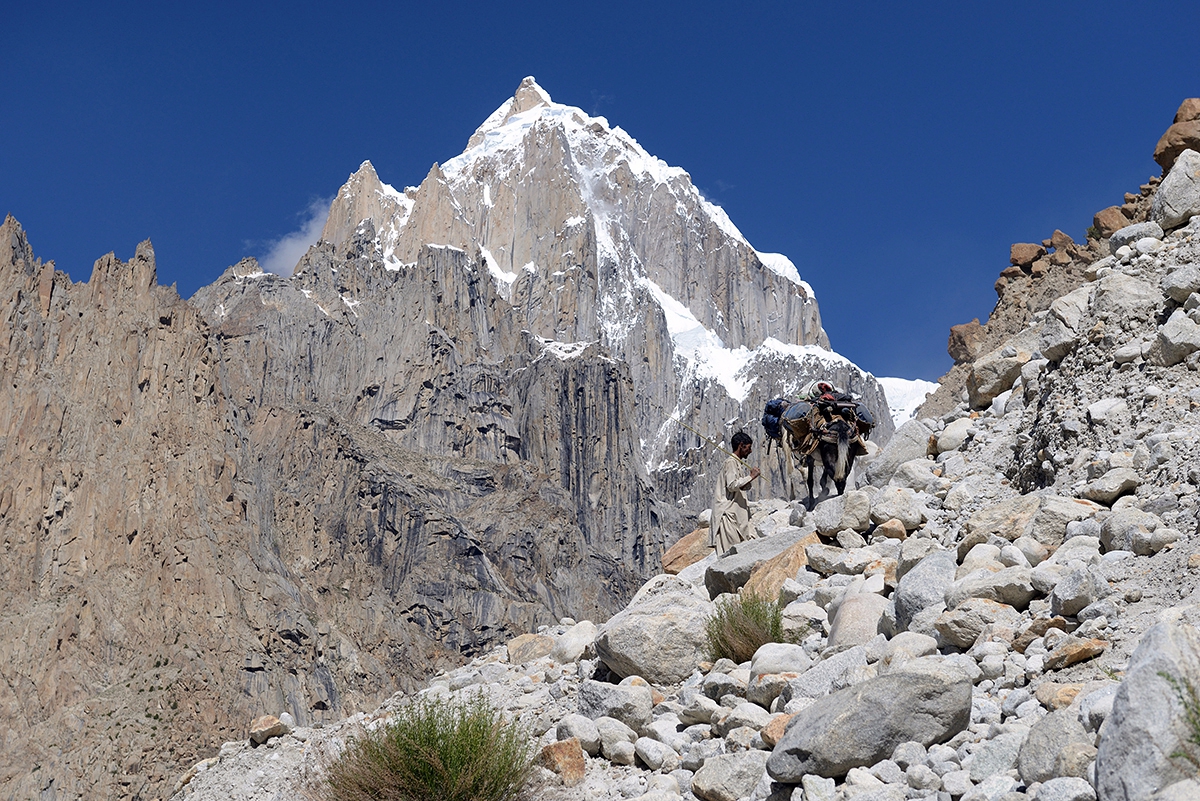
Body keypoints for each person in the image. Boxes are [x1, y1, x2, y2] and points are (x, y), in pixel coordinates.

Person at [708, 431, 761, 555]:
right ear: (741, 445)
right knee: (729, 556)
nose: (751, 451)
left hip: (735, 516)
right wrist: (751, 477)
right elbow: (732, 485)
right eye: (748, 447)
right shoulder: (731, 462)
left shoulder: (736, 463)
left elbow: (741, 487)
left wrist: (750, 478)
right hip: (728, 517)